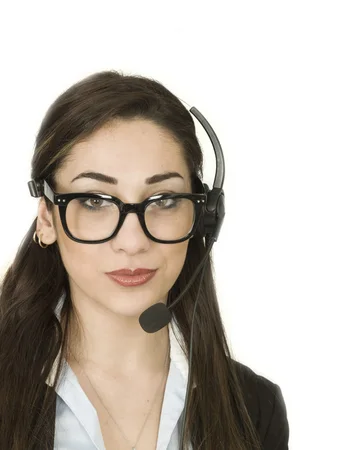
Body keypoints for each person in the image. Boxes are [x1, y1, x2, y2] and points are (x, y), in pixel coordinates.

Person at [0, 70, 289, 449]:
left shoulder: (254, 408)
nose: (132, 241)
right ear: (47, 218)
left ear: (202, 216)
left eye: (164, 200)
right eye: (95, 201)